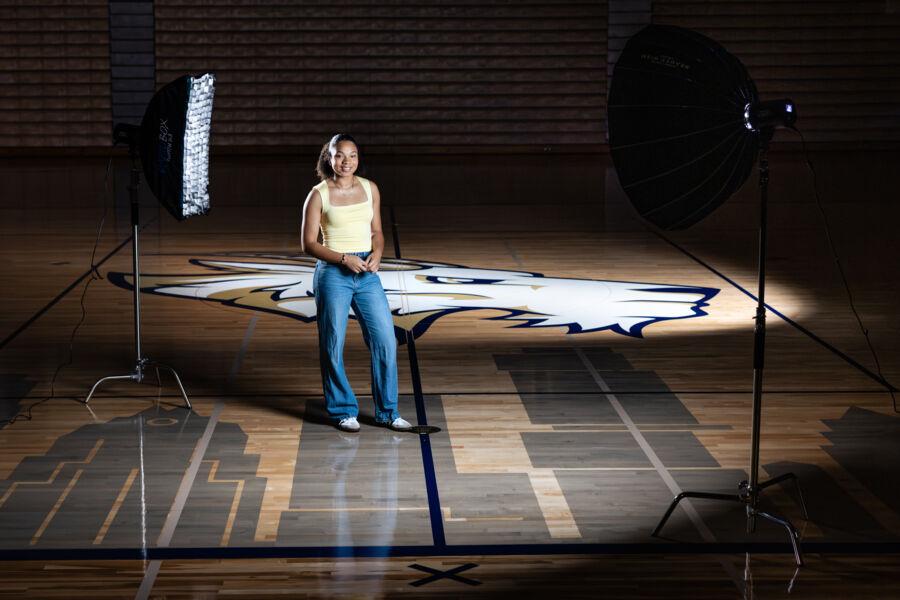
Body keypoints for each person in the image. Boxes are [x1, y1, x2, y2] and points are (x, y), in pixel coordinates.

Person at [301, 134, 412, 433]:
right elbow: (308, 243)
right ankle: (342, 410)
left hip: (366, 273)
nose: (346, 161)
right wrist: (343, 259)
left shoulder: (370, 187)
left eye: (352, 155)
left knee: (385, 340)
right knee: (333, 342)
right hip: (333, 272)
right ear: (329, 158)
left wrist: (377, 253)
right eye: (339, 155)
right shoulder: (318, 195)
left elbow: (377, 231)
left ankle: (387, 412)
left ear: (358, 158)